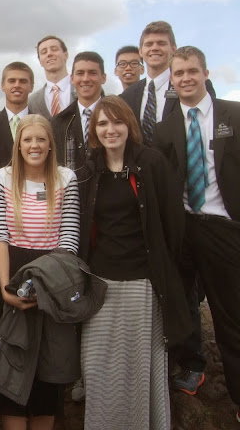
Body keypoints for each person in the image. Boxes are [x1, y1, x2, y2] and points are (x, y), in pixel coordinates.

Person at [79, 95, 190, 429]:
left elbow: (173, 224)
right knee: (99, 367)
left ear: (129, 124)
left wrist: (162, 269)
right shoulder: (89, 170)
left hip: (143, 282)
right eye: (102, 123)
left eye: (117, 122)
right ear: (94, 130)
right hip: (101, 284)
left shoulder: (151, 163)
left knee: (141, 367)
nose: (110, 130)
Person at [155, 46, 240, 421]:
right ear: (172, 81)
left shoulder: (234, 115)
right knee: (178, 303)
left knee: (230, 317)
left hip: (224, 228)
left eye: (192, 71)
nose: (186, 78)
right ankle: (189, 367)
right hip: (183, 228)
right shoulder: (165, 128)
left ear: (206, 73)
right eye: (179, 73)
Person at [0, 114, 80, 430]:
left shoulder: (66, 178)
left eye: (41, 139)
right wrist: (5, 289)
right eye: (27, 139)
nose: (34, 145)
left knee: (47, 372)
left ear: (51, 144)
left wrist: (49, 289)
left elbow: (69, 238)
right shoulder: (2, 178)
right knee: (12, 362)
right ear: (18, 145)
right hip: (13, 273)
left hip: (53, 276)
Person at [51, 51, 106, 172]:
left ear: (103, 78)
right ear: (72, 78)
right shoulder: (59, 122)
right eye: (80, 73)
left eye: (92, 73)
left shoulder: (118, 116)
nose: (85, 79)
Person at [28, 36, 75, 118]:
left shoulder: (82, 90)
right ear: (40, 61)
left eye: (54, 49)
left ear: (66, 55)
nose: (49, 54)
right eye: (44, 52)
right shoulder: (32, 102)